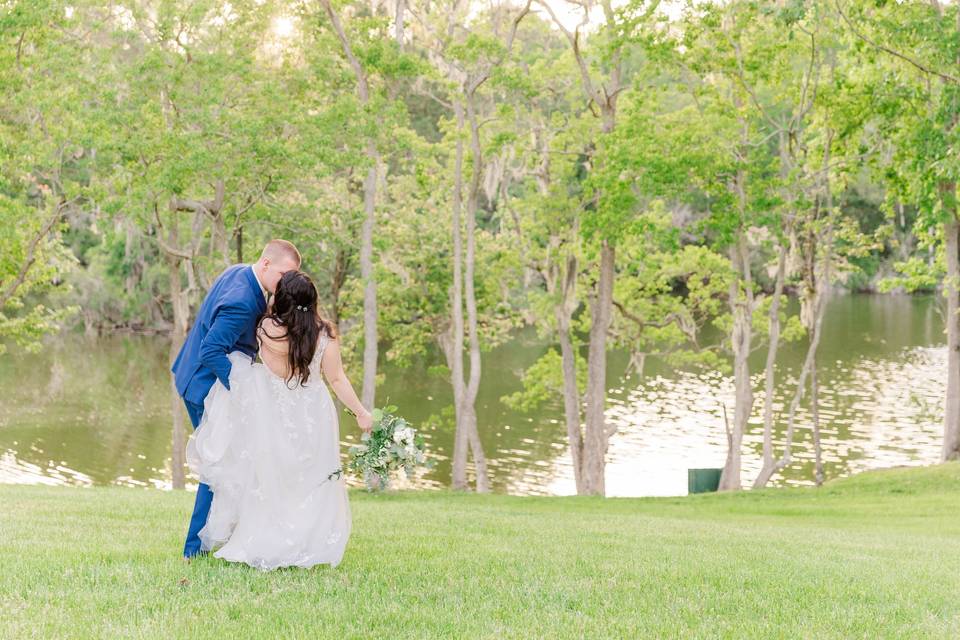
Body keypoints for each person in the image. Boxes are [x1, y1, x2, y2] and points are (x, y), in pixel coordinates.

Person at [185, 269, 372, 570]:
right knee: (310, 478)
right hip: (313, 413)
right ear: (313, 301)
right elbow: (337, 380)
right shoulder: (324, 334)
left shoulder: (266, 329)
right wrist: (361, 413)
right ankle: (305, 541)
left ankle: (266, 536)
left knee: (273, 476)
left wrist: (273, 306)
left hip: (273, 410)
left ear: (281, 299)